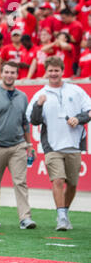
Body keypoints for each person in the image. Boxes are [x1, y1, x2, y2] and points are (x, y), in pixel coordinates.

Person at [26, 56, 91, 231]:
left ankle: (64, 212)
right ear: (46, 72)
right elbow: (34, 121)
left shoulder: (76, 91)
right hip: (52, 146)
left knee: (72, 184)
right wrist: (39, 105)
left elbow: (89, 110)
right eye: (51, 70)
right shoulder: (40, 94)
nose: (54, 73)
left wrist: (79, 118)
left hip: (74, 145)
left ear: (63, 71)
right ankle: (61, 218)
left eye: (57, 70)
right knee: (58, 180)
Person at [0, 61, 37, 230]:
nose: (10, 75)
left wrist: (29, 144)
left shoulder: (23, 97)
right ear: (1, 74)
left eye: (13, 72)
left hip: (18, 146)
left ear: (17, 75)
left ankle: (25, 218)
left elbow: (26, 123)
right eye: (7, 72)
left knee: (21, 182)